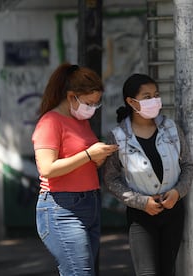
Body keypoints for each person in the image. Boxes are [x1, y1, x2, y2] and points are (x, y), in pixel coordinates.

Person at [103, 73, 193, 276]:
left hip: (173, 212)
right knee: (147, 272)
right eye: (147, 97)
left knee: (167, 271)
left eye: (156, 95)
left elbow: (188, 165)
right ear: (131, 102)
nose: (154, 100)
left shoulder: (171, 129)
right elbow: (111, 178)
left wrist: (178, 192)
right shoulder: (118, 137)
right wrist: (140, 202)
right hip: (140, 217)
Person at [32, 63, 119, 275]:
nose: (93, 108)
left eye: (97, 104)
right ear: (72, 96)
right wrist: (89, 155)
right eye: (90, 103)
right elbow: (47, 168)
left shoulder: (80, 120)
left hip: (89, 203)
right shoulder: (50, 122)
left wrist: (97, 159)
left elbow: (76, 159)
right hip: (62, 208)